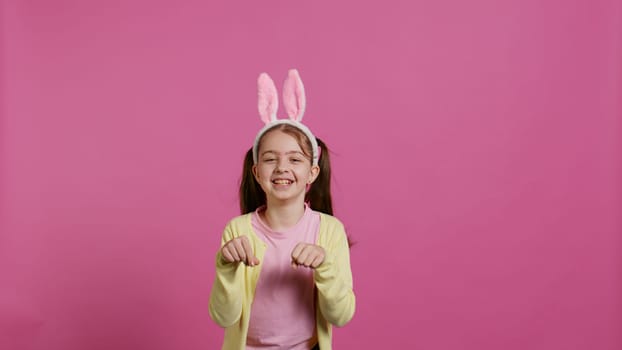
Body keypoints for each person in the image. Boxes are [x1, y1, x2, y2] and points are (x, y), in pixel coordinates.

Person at [209, 69, 355, 350]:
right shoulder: (238, 230)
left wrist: (325, 265)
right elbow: (223, 316)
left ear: (312, 173)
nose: (282, 168)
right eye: (270, 159)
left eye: (295, 159)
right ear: (256, 172)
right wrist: (226, 267)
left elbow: (341, 315)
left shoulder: (329, 231)